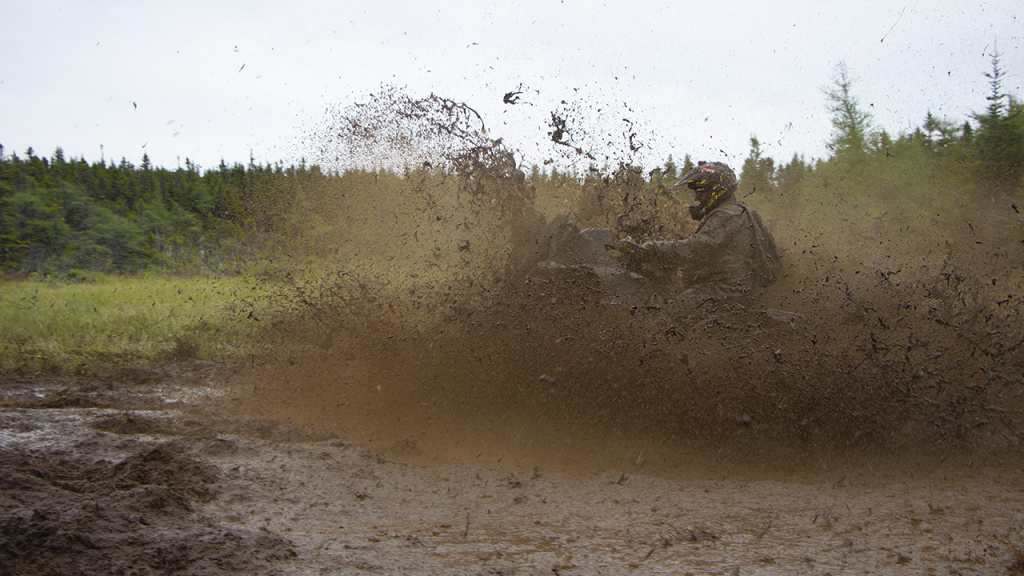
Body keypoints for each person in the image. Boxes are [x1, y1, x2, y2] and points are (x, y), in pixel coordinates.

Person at [617, 161, 779, 308]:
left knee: (665, 317)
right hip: (734, 290)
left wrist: (650, 250)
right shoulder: (746, 213)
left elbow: (697, 248)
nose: (697, 198)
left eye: (700, 192)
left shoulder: (727, 215)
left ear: (716, 189)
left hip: (721, 291)